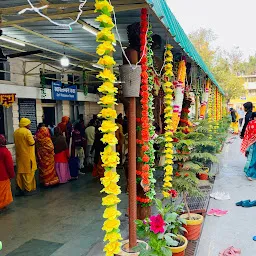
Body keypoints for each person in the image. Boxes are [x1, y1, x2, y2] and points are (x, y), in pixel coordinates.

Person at [14, 118, 37, 196]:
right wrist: (34, 139)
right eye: (29, 124)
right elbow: (31, 143)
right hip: (28, 156)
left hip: (19, 156)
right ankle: (28, 190)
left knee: (20, 173)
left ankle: (20, 188)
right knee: (29, 173)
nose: (30, 125)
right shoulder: (27, 132)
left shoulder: (16, 132)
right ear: (26, 124)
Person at [0, 135, 15, 209]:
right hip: (3, 176)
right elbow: (9, 165)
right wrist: (12, 175)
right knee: (2, 193)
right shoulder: (5, 151)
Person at [241, 112, 256, 181]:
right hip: (253, 143)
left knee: (251, 158)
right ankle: (250, 173)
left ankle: (249, 174)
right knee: (253, 159)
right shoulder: (251, 123)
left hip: (251, 143)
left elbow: (246, 133)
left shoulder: (250, 123)